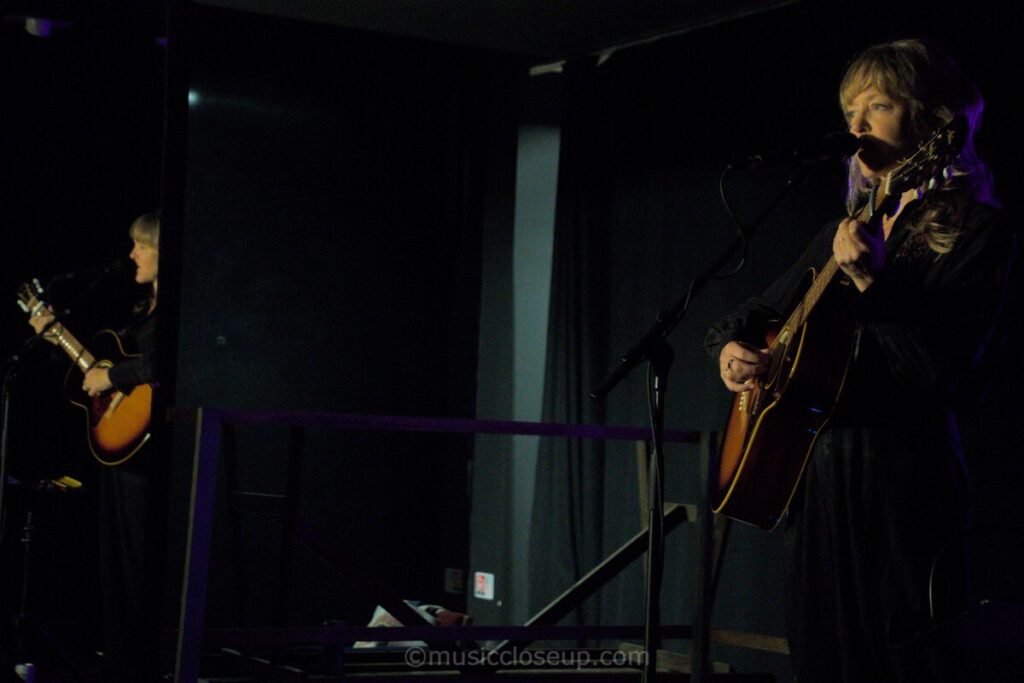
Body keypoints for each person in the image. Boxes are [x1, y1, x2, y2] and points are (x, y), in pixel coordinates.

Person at [705, 40, 1015, 682]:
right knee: (822, 651)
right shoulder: (843, 228)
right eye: (852, 110)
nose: (858, 126)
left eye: (878, 105)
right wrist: (731, 350)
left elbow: (945, 368)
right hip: (821, 470)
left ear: (932, 118)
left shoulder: (980, 229)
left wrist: (876, 283)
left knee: (899, 656)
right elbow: (756, 312)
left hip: (905, 475)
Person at [28, 211, 159, 680]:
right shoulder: (142, 309)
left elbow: (163, 365)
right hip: (123, 453)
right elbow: (96, 372)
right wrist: (54, 337)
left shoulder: (178, 312)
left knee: (140, 560)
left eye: (142, 245)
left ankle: (142, 660)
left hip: (152, 457)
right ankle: (121, 656)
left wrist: (112, 375)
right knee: (116, 561)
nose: (132, 254)